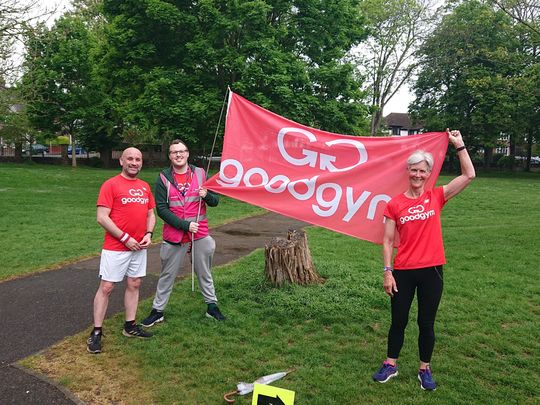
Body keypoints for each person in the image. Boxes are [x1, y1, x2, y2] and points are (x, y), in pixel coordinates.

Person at [372, 130, 475, 390]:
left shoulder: (436, 197)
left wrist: (459, 145)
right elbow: (386, 240)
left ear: (428, 174)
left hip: (432, 271)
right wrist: (387, 271)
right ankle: (390, 364)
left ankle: (424, 369)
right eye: (414, 170)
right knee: (398, 321)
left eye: (422, 171)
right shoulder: (394, 204)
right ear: (408, 172)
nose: (418, 175)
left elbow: (469, 176)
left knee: (426, 323)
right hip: (403, 271)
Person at [141, 139, 225, 328]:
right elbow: (162, 209)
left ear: (187, 154)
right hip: (175, 234)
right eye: (174, 152)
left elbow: (215, 201)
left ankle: (212, 306)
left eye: (181, 151)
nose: (178, 155)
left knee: (204, 272)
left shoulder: (201, 173)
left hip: (200, 233)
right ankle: (158, 311)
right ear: (170, 156)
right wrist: (185, 225)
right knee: (167, 274)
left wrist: (207, 195)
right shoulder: (163, 177)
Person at [87, 147, 156, 354]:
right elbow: (102, 217)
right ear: (122, 161)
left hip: (139, 246)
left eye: (138, 159)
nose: (134, 163)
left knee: (134, 283)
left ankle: (130, 326)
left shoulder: (144, 187)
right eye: (130, 159)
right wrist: (125, 238)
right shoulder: (111, 185)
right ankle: (97, 331)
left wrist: (149, 234)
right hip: (116, 247)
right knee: (107, 287)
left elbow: (151, 214)